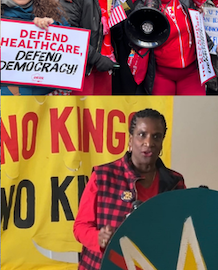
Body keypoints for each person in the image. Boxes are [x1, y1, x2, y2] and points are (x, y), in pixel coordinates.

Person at [73, 109, 186, 270]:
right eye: (142, 134)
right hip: (103, 265)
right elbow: (80, 227)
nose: (149, 142)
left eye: (156, 136)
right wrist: (98, 237)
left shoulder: (174, 182)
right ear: (131, 140)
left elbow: (180, 229)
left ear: (162, 142)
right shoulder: (103, 176)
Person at [1, 0, 70, 95]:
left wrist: (54, 28)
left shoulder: (53, 13)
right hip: (7, 104)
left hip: (46, 103)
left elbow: (73, 53)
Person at [63, 0, 119, 95]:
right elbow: (69, 31)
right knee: (83, 110)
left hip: (107, 62)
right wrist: (96, 58)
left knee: (101, 110)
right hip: (84, 64)